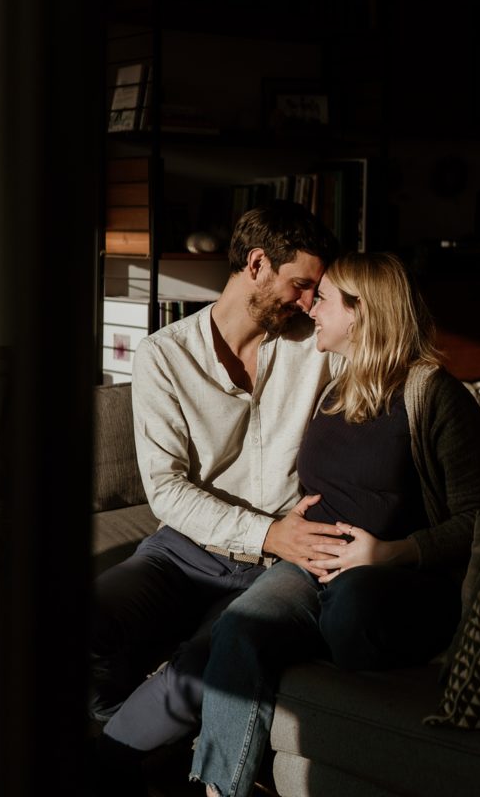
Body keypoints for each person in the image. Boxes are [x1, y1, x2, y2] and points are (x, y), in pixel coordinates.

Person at [188, 251, 480, 797]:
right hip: (309, 563)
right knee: (238, 630)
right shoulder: (338, 383)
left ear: (362, 313)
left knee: (351, 618)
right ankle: (219, 791)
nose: (311, 308)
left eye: (325, 298)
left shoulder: (436, 396)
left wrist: (389, 553)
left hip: (392, 574)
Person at [88, 200, 346, 794]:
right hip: (184, 549)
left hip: (278, 565)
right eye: (300, 285)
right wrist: (261, 530)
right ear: (257, 264)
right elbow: (167, 491)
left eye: (315, 290)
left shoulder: (317, 344)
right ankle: (130, 723)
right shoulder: (163, 356)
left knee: (205, 670)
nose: (308, 302)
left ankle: (114, 755)